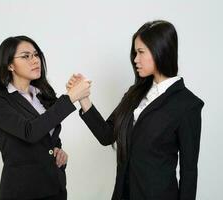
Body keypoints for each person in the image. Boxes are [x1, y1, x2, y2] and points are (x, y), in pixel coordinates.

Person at [67, 20, 204, 200]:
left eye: (140, 52)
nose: (135, 59)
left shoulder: (187, 105)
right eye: (134, 53)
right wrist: (83, 99)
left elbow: (189, 171)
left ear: (160, 51)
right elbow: (106, 135)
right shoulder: (135, 93)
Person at [0, 35, 90, 200]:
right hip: (23, 192)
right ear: (10, 64)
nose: (35, 60)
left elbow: (49, 138)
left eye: (36, 55)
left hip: (55, 189)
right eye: (26, 56)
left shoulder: (43, 95)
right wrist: (69, 98)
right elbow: (29, 132)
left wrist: (60, 152)